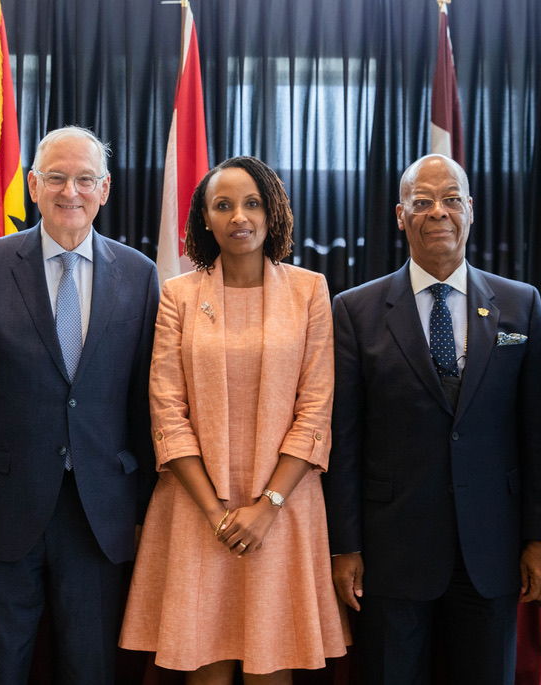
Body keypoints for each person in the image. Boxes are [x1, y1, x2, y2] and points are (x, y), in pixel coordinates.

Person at [0, 125, 159, 683]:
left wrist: (144, 512)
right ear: (33, 185)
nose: (70, 192)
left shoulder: (140, 275)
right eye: (56, 177)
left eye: (85, 179)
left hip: (99, 513)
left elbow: (145, 405)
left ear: (105, 189)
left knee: (91, 669)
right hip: (3, 511)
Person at [324, 154, 541, 684]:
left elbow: (537, 435)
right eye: (422, 201)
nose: (438, 212)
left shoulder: (521, 306)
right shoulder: (354, 311)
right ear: (401, 215)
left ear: (470, 211)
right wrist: (345, 545)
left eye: (451, 199)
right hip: (391, 551)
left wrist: (540, 540)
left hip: (491, 550)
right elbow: (345, 440)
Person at [120, 156, 348, 684]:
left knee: (273, 661)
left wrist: (265, 507)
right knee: (206, 664)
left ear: (273, 213)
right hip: (198, 511)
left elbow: (316, 409)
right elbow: (166, 412)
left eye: (252, 203)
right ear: (204, 217)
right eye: (223, 205)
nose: (238, 216)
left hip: (282, 511)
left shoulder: (310, 290)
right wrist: (216, 513)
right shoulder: (177, 294)